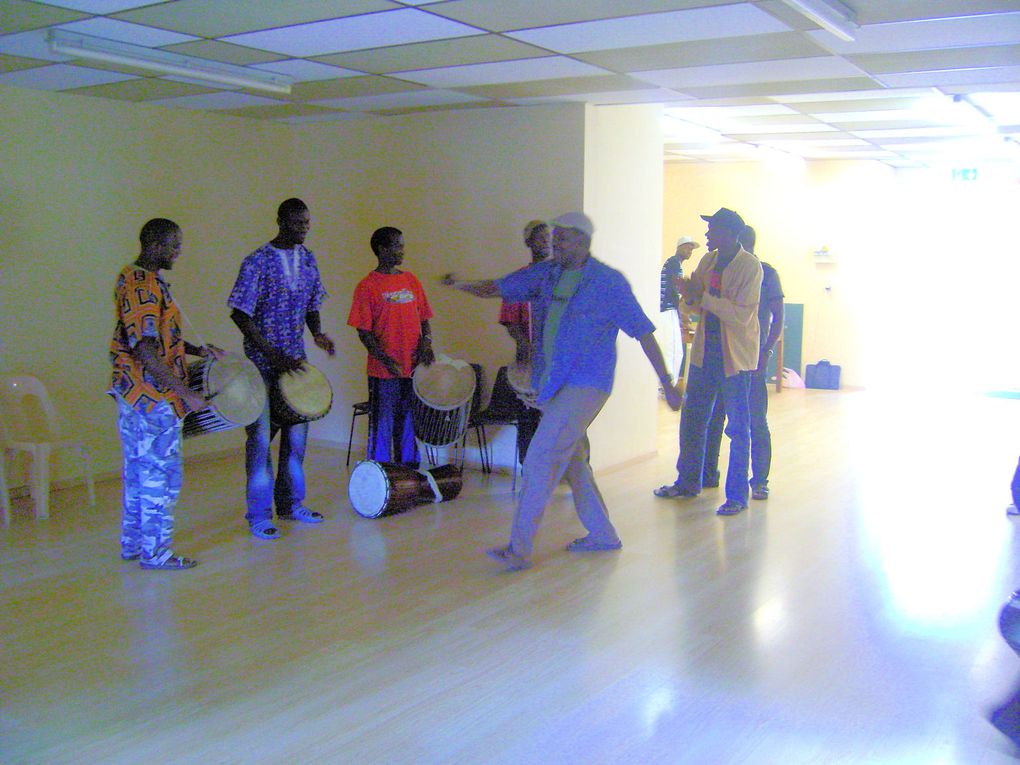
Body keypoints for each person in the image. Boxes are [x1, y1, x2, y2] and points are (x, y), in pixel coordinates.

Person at [443, 212, 682, 571]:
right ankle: (603, 535)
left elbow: (643, 332)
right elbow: (499, 287)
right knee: (573, 462)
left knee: (540, 458)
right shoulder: (547, 274)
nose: (556, 245)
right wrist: (461, 285)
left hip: (587, 384)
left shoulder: (608, 283)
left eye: (564, 239)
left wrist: (667, 382)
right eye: (555, 239)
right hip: (553, 383)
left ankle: (518, 550)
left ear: (584, 241)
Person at [109, 218, 224, 570]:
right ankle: (156, 553)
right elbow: (144, 349)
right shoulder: (143, 285)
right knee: (161, 476)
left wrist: (198, 351)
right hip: (152, 397)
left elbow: (156, 337)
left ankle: (134, 544)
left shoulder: (134, 277)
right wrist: (185, 393)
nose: (179, 251)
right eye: (175, 245)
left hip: (134, 394)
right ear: (156, 245)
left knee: (138, 473)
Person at [228, 198, 335, 540]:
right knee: (260, 441)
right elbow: (240, 314)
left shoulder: (307, 259)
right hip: (261, 365)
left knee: (296, 439)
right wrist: (271, 354)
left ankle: (290, 504)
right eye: (297, 222)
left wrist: (317, 333)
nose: (303, 227)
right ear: (279, 221)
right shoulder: (256, 261)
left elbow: (312, 303)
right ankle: (259, 515)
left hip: (295, 365)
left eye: (307, 222)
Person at [653, 207, 762, 516]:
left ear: (728, 233)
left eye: (712, 229)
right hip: (704, 356)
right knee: (692, 421)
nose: (706, 235)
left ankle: (737, 496)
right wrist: (688, 297)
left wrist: (702, 298)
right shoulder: (707, 261)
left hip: (735, 361)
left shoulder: (750, 267)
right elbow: (697, 307)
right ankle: (687, 483)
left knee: (738, 430)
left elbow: (741, 315)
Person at [701, 225, 784, 500]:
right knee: (716, 418)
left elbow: (777, 316)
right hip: (722, 356)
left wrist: (766, 351)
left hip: (749, 358)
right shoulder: (720, 268)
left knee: (753, 420)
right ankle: (708, 473)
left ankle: (759, 480)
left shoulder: (765, 273)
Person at [348, 226, 435, 467]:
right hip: (384, 373)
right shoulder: (367, 286)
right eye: (397, 246)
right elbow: (363, 332)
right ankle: (382, 475)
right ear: (381, 249)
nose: (402, 251)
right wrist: (386, 361)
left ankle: (409, 474)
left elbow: (424, 318)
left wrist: (427, 344)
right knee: (382, 425)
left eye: (402, 245)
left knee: (409, 421)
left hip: (412, 369)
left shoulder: (410, 280)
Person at [498, 220, 550, 464]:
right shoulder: (520, 279)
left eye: (549, 237)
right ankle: (530, 468)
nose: (546, 243)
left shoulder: (562, 278)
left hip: (557, 363)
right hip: (529, 363)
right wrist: (524, 344)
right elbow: (509, 320)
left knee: (561, 419)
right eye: (540, 238)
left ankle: (567, 472)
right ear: (528, 242)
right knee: (529, 417)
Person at [659, 235, 700, 387]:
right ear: (679, 248)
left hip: (668, 311)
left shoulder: (674, 264)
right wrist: (682, 315)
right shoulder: (674, 264)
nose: (690, 251)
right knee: (674, 352)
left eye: (692, 248)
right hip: (668, 311)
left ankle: (666, 386)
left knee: (672, 351)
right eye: (688, 247)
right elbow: (673, 291)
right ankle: (668, 387)